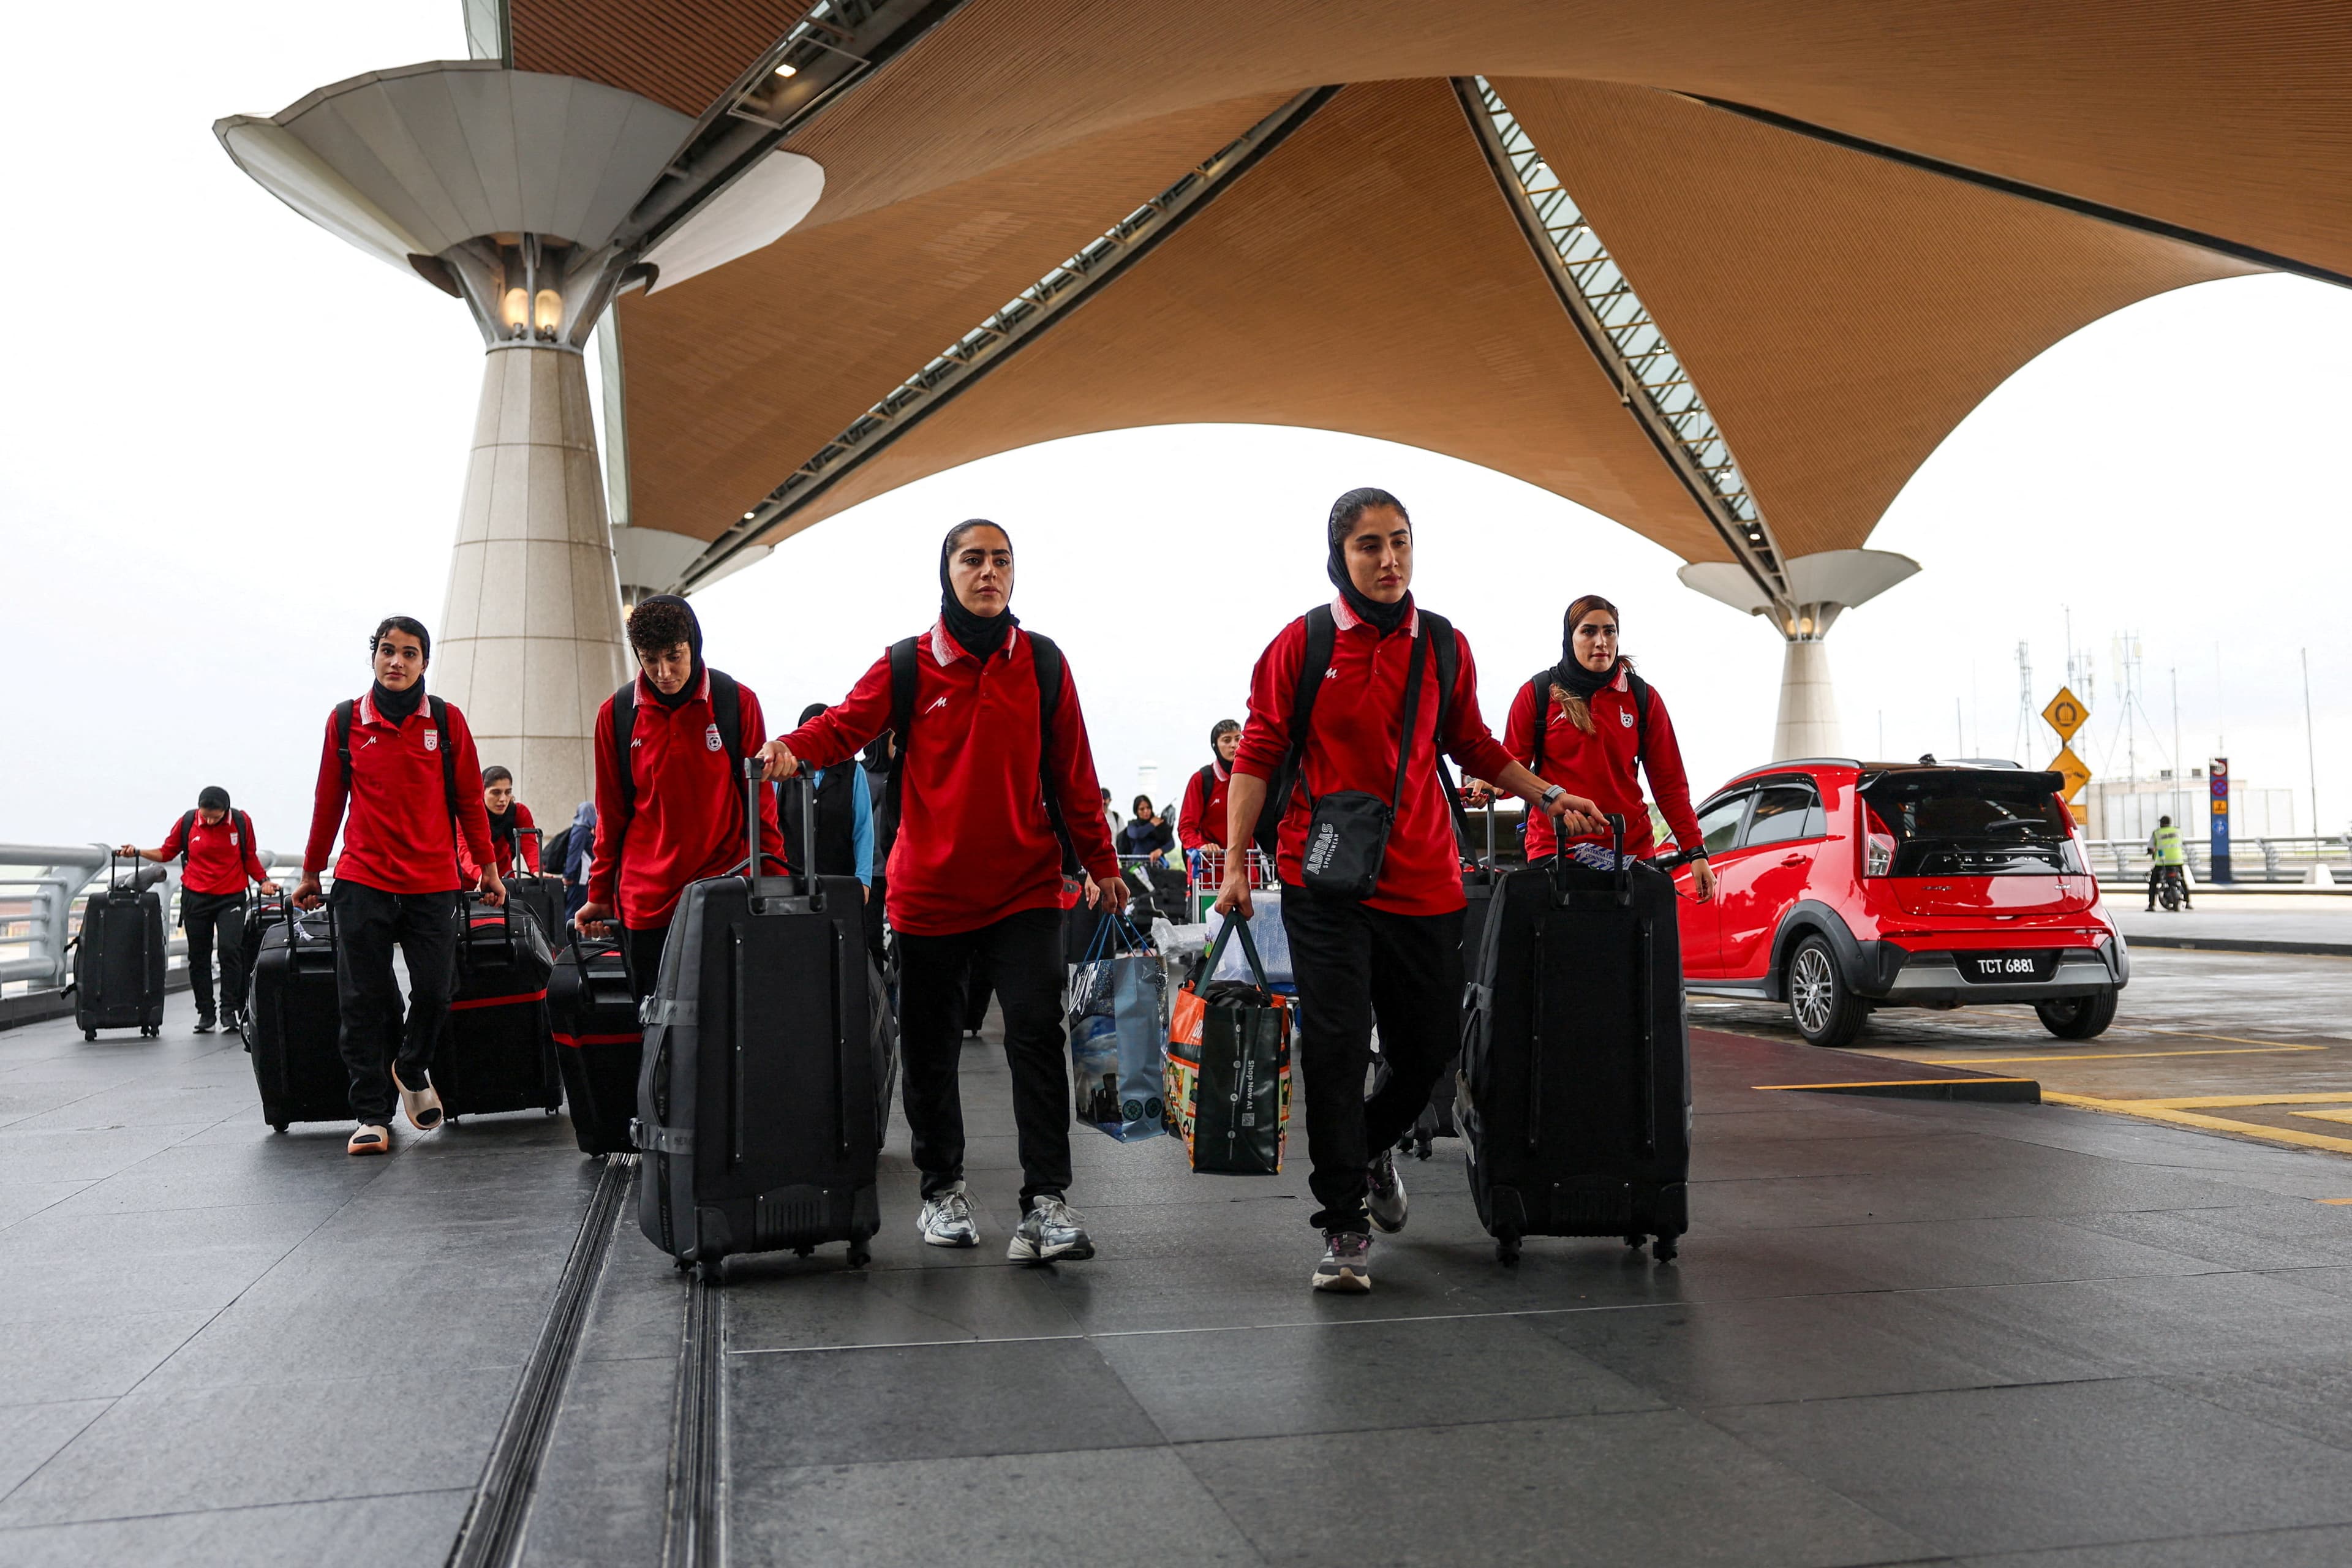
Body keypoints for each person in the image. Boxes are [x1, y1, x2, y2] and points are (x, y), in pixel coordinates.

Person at [1215, 488, 1602, 1294]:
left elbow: (1471, 742)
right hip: (1323, 878)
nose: (1388, 560)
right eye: (1369, 547)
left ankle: (1366, 1151)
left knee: (1428, 1048)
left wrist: (1545, 795)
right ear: (1339, 557)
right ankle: (1345, 1220)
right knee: (1331, 1046)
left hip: (1424, 877)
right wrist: (1233, 864)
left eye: (1400, 542)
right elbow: (1256, 754)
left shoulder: (1443, 646)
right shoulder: (1303, 646)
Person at [759, 519, 1127, 1264]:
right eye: (972, 559)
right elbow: (844, 723)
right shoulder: (908, 665)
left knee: (1033, 1031)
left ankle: (1046, 1202)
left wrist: (1102, 861)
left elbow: (1075, 775)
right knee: (930, 1048)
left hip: (1025, 887)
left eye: (1001, 560)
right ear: (947, 572)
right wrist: (792, 748)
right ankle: (941, 1191)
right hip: (929, 892)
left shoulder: (1045, 664)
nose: (988, 572)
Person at [295, 616, 502, 1156]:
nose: (397, 662)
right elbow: (328, 802)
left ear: (424, 664)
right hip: (362, 878)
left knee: (437, 988)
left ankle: (410, 1066)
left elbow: (468, 805)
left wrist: (488, 868)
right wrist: (312, 870)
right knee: (361, 999)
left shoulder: (448, 723)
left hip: (432, 882)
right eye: (388, 651)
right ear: (374, 657)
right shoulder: (345, 723)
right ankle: (370, 1115)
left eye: (410, 654)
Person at [577, 595, 784, 1003]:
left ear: (694, 644)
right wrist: (599, 894)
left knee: (728, 1020)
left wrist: (773, 887)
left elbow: (761, 808)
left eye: (675, 656)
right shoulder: (616, 715)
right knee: (655, 1024)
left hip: (723, 889)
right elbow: (612, 815)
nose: (664, 672)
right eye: (650, 660)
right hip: (645, 901)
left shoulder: (735, 703)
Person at [1498, 595, 1717, 899]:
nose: (1601, 641)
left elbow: (1670, 786)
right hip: (1556, 850)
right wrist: (1487, 784)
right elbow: (1511, 773)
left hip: (1630, 853)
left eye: (1609, 631)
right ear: (1569, 638)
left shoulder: (1642, 697)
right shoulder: (1537, 694)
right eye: (1588, 631)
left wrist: (1696, 852)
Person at [119, 787, 279, 1034]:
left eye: (215, 817)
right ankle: (206, 1012)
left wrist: (264, 881)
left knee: (230, 951)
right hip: (196, 897)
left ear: (225, 810)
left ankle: (229, 1011)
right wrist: (138, 851)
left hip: (231, 897)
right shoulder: (187, 822)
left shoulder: (240, 821)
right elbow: (166, 852)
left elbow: (249, 857)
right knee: (199, 956)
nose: (210, 821)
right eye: (206, 816)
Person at [782, 702, 875, 896]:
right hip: (789, 883)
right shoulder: (784, 774)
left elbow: (864, 829)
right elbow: (771, 825)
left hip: (840, 881)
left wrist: (864, 879)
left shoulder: (853, 772)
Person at [1176, 719, 1242, 860]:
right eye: (1226, 740)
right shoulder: (1202, 780)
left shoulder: (1252, 779)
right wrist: (1201, 846)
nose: (1234, 745)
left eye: (1238, 739)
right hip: (1209, 871)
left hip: (1248, 870)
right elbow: (1186, 827)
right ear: (1215, 746)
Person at [480, 766, 542, 879]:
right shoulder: (470, 815)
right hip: (469, 880)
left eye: (508, 792)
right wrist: (482, 877)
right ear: (482, 792)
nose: (503, 799)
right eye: (496, 793)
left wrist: (537, 871)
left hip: (504, 876)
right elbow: (464, 850)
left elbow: (529, 844)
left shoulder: (519, 812)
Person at [560, 800, 596, 927]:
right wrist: (569, 875)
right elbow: (574, 854)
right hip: (579, 878)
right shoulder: (581, 831)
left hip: (581, 877)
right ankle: (571, 941)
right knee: (574, 911)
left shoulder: (582, 830)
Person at [2148, 813, 2192, 910]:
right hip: (2177, 861)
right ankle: (2189, 903)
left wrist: (2150, 852)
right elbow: (2182, 842)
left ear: (2161, 823)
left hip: (2162, 863)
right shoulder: (2178, 831)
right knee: (2183, 881)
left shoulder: (2157, 833)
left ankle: (2152, 905)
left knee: (2153, 883)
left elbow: (2151, 847)